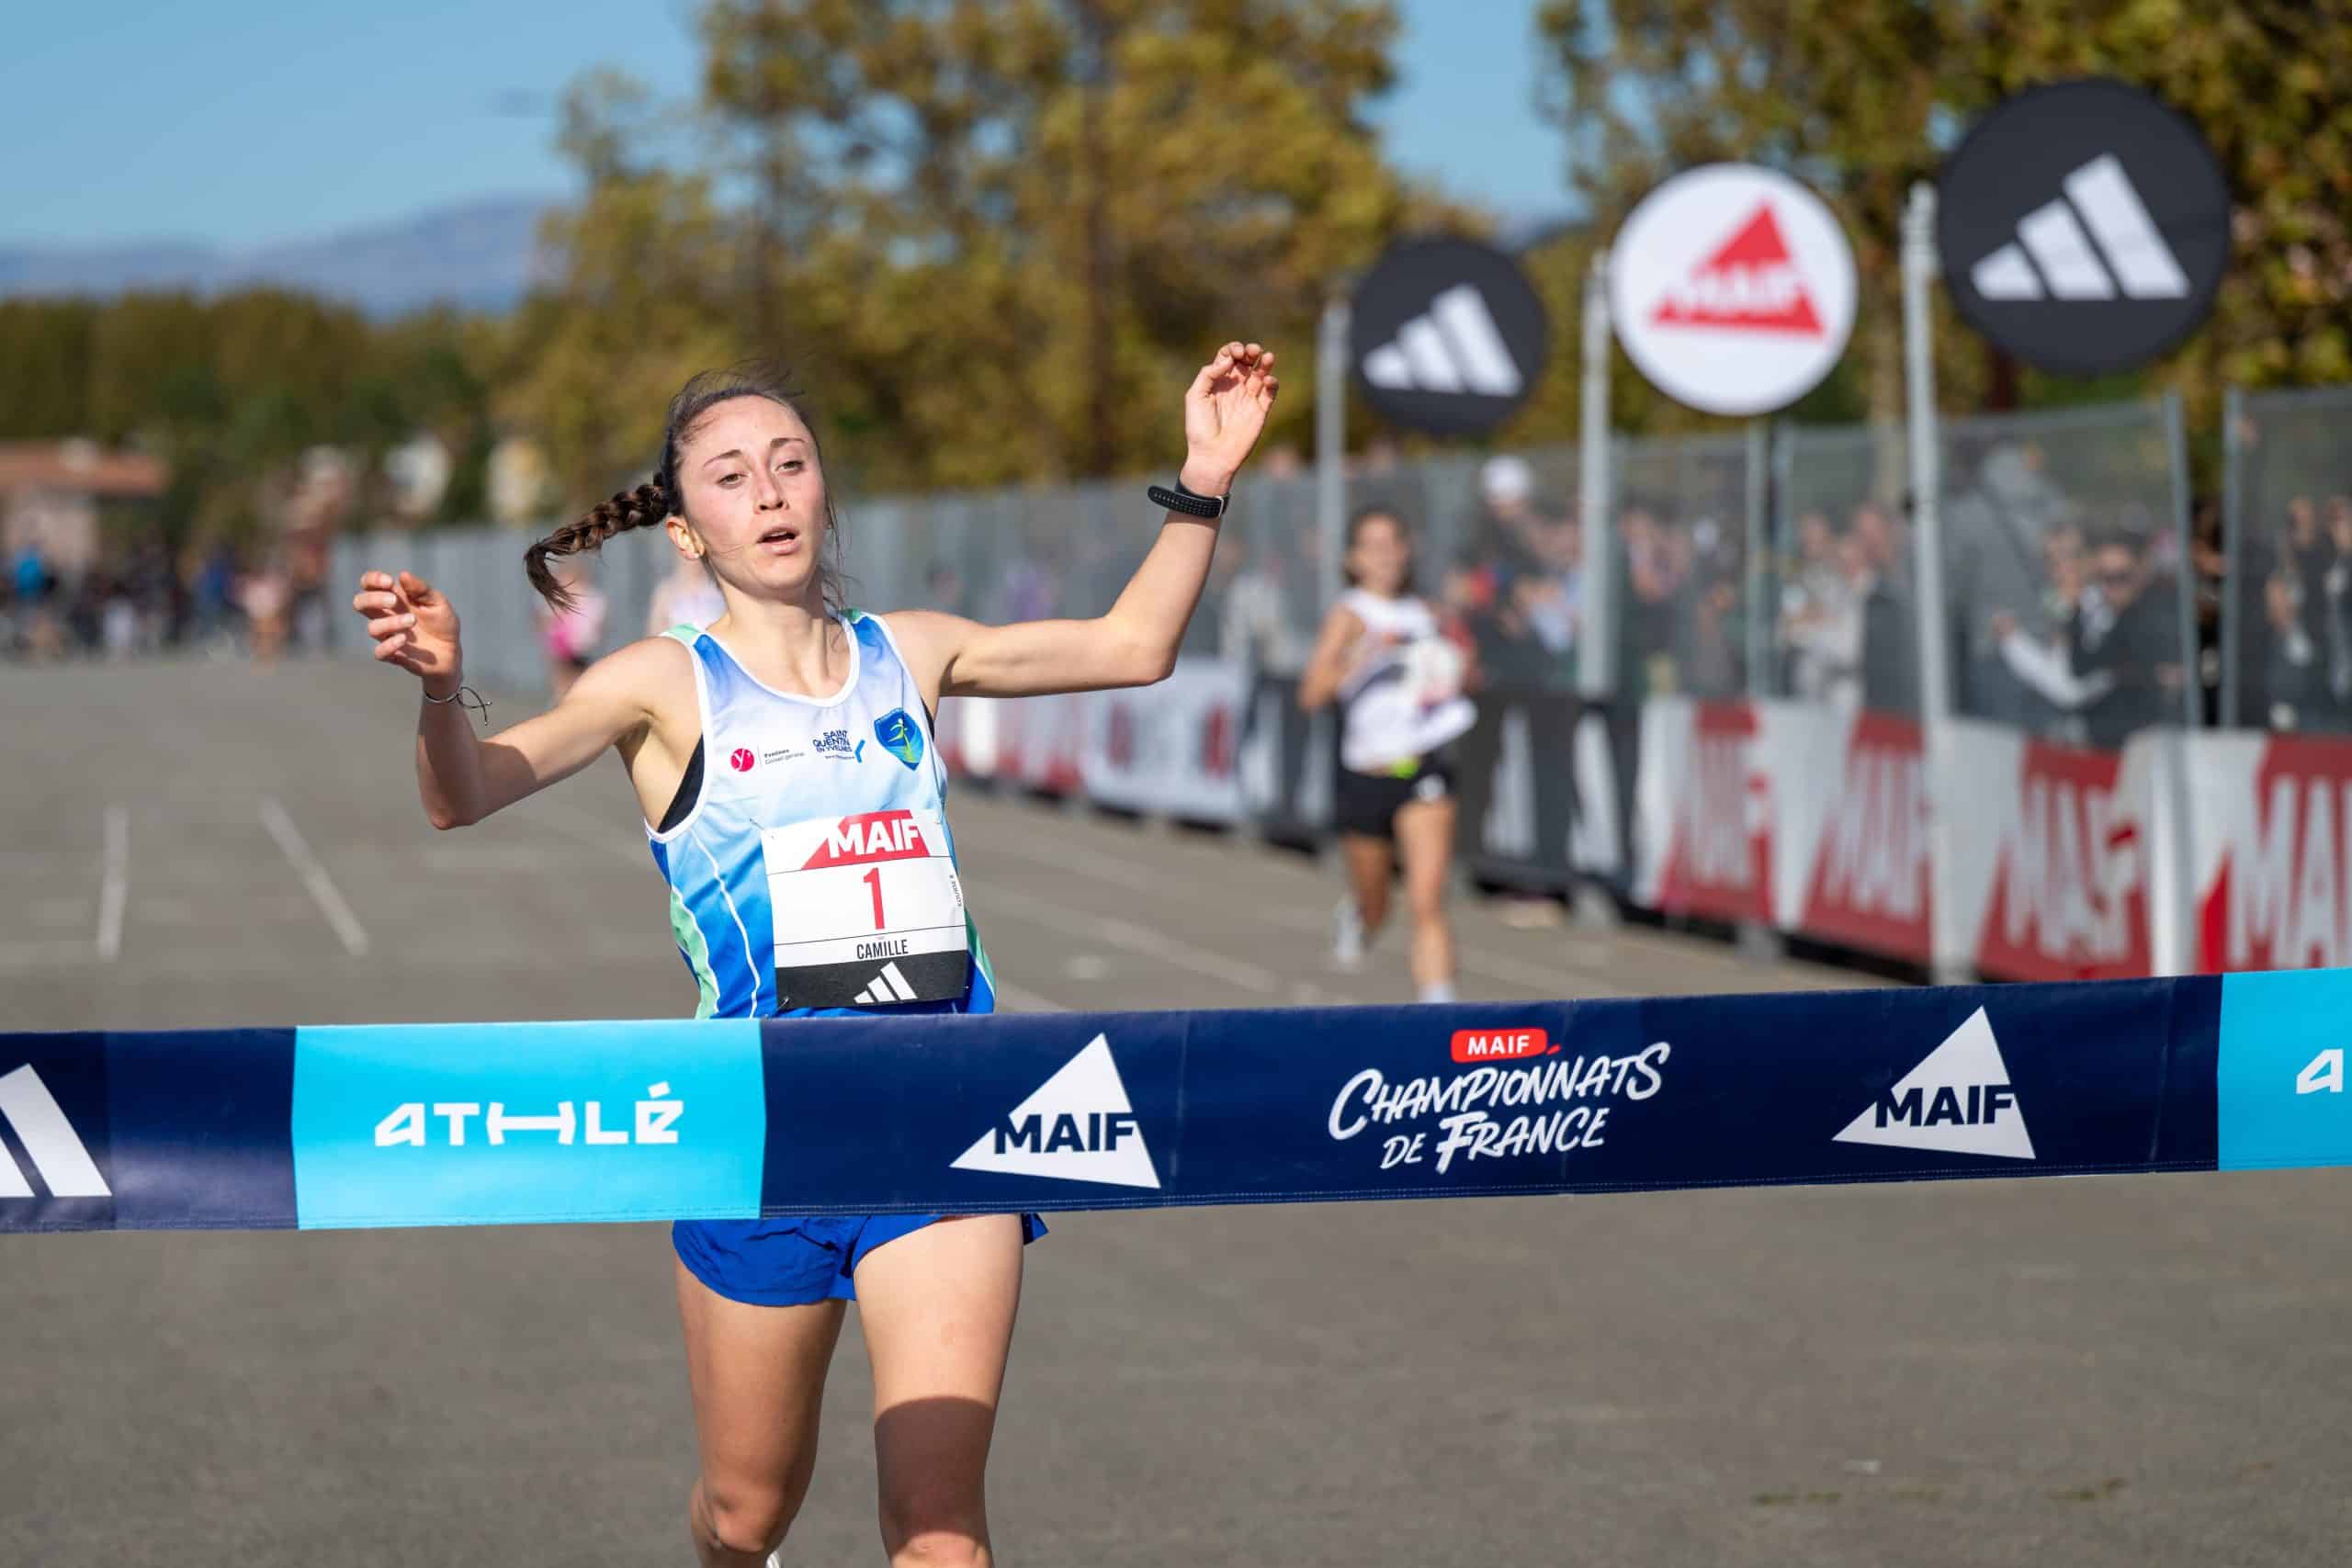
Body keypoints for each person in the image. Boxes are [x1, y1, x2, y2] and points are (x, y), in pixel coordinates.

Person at [348, 344, 1276, 1568]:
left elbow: (1132, 644)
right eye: (731, 477)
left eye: (791, 464)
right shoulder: (661, 684)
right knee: (745, 1510)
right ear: (688, 533)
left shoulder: (916, 652)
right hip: (755, 1130)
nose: (772, 493)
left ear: (825, 489)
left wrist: (1203, 474)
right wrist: (444, 689)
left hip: (942, 1111)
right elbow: (466, 792)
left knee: (941, 1532)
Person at [1295, 507, 1476, 1003]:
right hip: (1366, 771)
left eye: (1392, 542)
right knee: (1378, 902)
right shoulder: (1350, 613)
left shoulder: (1427, 613)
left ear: (1406, 550)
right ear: (1353, 559)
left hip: (1425, 765)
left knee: (1427, 899)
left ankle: (1439, 1010)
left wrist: (1454, 668)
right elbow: (1311, 695)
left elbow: (1455, 679)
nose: (1384, 555)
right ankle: (1359, 913)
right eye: (1371, 546)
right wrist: (1362, 655)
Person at [646, 548, 729, 636]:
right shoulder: (667, 592)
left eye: (697, 557)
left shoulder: (719, 590)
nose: (693, 563)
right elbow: (655, 632)